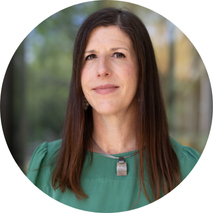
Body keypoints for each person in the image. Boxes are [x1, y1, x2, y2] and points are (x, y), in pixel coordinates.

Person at [27, 7, 200, 212]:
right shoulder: (46, 166)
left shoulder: (188, 169)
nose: (102, 70)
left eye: (118, 54)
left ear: (143, 69)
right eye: (90, 56)